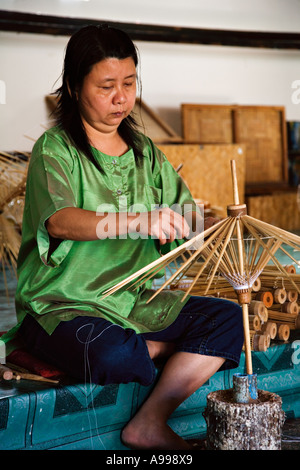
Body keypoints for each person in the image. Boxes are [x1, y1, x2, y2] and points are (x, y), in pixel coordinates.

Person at [11, 25, 243, 450]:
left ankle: (149, 422)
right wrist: (137, 220)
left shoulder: (144, 152)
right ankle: (145, 350)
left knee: (227, 319)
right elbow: (60, 221)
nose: (121, 98)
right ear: (74, 87)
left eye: (130, 83)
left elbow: (184, 211)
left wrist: (210, 223)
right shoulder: (55, 149)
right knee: (110, 354)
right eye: (106, 86)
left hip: (131, 304)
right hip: (62, 306)